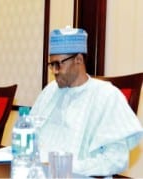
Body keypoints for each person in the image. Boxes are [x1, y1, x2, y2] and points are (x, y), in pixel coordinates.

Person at [30, 26, 143, 176]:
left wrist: (67, 166)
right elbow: (29, 134)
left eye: (58, 64)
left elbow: (115, 160)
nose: (54, 71)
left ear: (78, 60)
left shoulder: (107, 96)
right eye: (52, 65)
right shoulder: (50, 91)